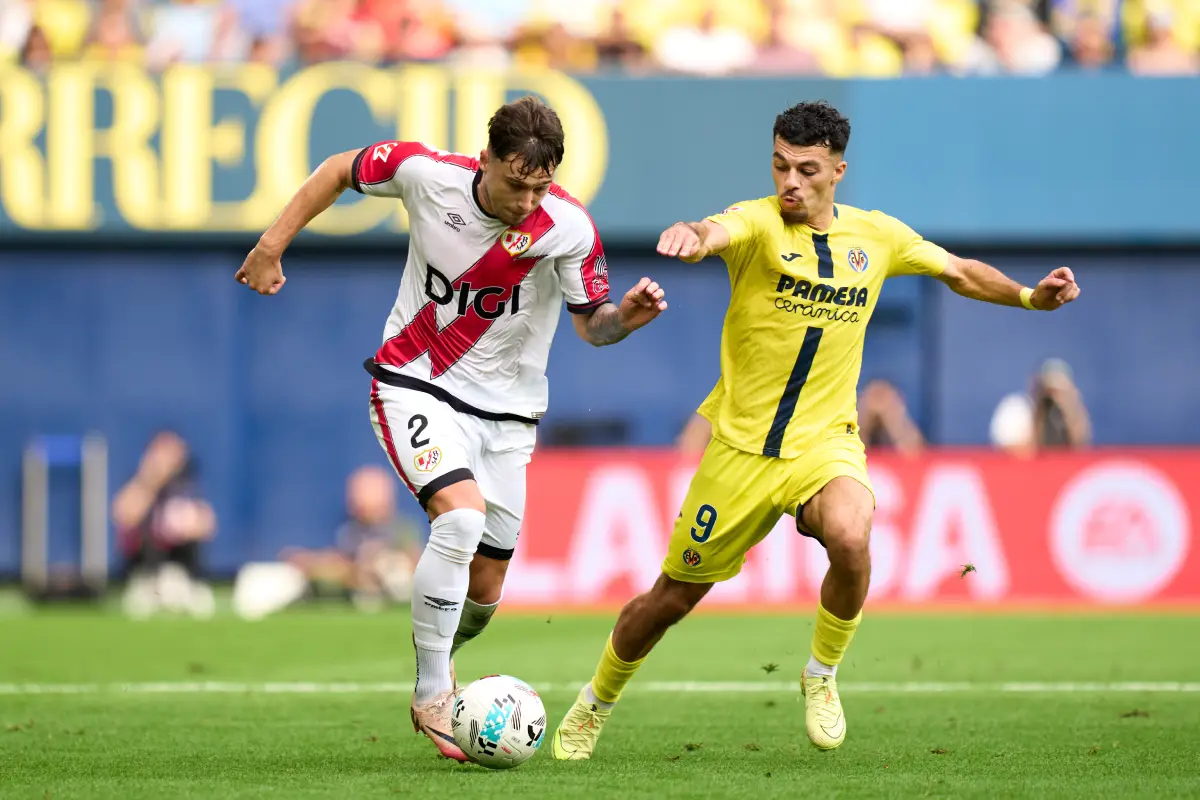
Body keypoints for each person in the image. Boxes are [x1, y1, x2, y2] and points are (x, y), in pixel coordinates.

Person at [552, 100, 1080, 759]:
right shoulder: (758, 224)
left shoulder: (877, 236)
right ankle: (593, 704)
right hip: (741, 452)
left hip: (825, 443)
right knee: (670, 600)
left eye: (806, 170)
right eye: (779, 167)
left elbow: (959, 271)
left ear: (837, 170)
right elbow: (715, 228)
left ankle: (822, 674)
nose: (789, 183)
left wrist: (1031, 297)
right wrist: (692, 235)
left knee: (853, 535)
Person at [235, 95, 667, 761]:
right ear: (487, 158)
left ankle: (437, 649)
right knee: (458, 520)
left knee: (486, 594)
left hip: (508, 417)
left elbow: (593, 323)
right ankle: (433, 689)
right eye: (515, 183)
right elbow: (337, 168)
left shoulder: (569, 228)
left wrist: (626, 319)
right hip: (414, 383)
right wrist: (270, 245)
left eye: (540, 186)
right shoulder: (424, 174)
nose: (526, 202)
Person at [112, 429, 216, 619]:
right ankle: (148, 586)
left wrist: (185, 525)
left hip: (179, 559)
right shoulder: (141, 482)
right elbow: (124, 514)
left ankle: (186, 586)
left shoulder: (187, 484)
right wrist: (150, 479)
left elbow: (207, 525)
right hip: (147, 563)